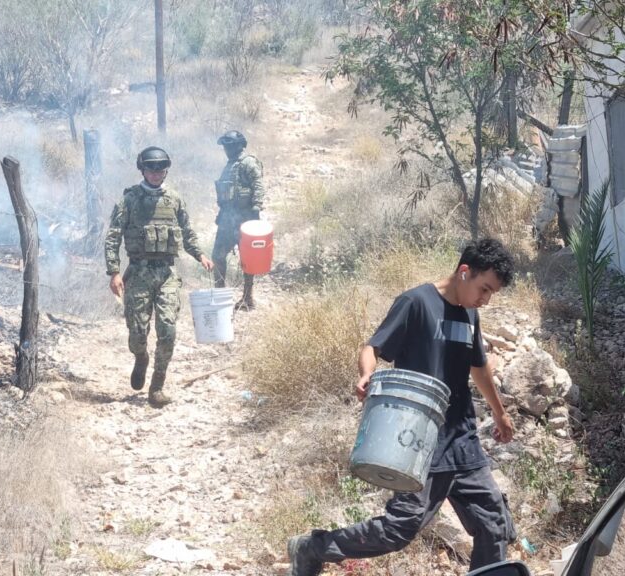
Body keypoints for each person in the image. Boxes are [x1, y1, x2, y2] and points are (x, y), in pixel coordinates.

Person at [288, 238, 518, 575]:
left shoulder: (470, 314)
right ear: (464, 272)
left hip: (461, 438)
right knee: (400, 529)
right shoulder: (416, 302)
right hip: (418, 441)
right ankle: (312, 547)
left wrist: (499, 412)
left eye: (492, 294)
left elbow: (478, 366)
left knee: (493, 523)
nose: (485, 300)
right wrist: (367, 375)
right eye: (484, 289)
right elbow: (372, 347)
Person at [105, 146, 214, 408]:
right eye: (151, 169)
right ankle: (141, 357)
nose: (156, 173)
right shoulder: (129, 200)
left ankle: (157, 387)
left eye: (160, 169)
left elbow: (186, 232)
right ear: (142, 169)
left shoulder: (174, 199)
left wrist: (200, 255)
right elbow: (113, 237)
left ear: (166, 170)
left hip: (166, 273)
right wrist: (114, 272)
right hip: (139, 273)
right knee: (137, 332)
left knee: (168, 330)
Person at [212, 130, 265, 311]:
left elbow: (258, 183)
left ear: (238, 146)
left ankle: (248, 297)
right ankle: (220, 295)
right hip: (227, 218)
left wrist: (256, 207)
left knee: (248, 259)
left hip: (245, 218)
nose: (226, 149)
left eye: (229, 146)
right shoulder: (229, 165)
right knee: (217, 256)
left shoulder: (248, 163)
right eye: (225, 147)